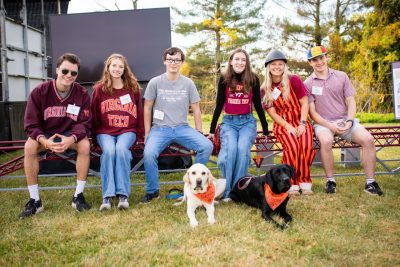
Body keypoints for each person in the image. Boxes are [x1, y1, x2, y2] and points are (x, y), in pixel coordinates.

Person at [20, 53, 92, 218]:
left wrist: (71, 138)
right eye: (65, 71)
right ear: (57, 69)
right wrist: (44, 141)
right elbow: (31, 123)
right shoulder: (39, 92)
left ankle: (78, 196)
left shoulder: (81, 93)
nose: (69, 76)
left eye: (74, 73)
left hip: (69, 134)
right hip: (46, 134)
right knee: (29, 146)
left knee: (85, 145)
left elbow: (85, 122)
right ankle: (35, 200)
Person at [304, 45, 383, 195]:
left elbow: (351, 102)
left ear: (326, 58)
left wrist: (349, 121)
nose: (319, 62)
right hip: (323, 124)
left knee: (368, 140)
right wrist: (330, 126)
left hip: (344, 121)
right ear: (310, 63)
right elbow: (312, 113)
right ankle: (330, 181)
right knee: (326, 141)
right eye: (314, 60)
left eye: (321, 58)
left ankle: (370, 183)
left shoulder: (342, 76)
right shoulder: (307, 83)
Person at [141, 47, 213, 203]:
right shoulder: (155, 82)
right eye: (170, 59)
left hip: (182, 128)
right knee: (148, 153)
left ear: (182, 62)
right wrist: (147, 132)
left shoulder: (188, 83)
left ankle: (195, 184)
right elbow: (147, 107)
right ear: (165, 61)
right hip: (160, 129)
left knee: (206, 146)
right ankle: (152, 191)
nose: (173, 63)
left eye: (177, 60)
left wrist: (199, 132)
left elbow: (196, 109)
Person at [209, 48, 269, 200]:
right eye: (237, 59)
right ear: (231, 61)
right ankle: (228, 191)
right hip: (229, 122)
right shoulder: (224, 79)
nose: (240, 62)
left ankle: (238, 191)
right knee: (230, 152)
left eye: (243, 60)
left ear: (246, 62)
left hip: (247, 122)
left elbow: (257, 104)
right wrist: (211, 129)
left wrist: (266, 129)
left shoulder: (253, 78)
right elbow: (218, 104)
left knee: (242, 150)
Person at [91, 53, 144, 211]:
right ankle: (107, 197)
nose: (117, 69)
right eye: (114, 65)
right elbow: (93, 114)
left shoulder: (132, 88)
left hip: (127, 130)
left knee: (121, 150)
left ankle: (123, 195)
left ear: (124, 69)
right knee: (109, 151)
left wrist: (140, 134)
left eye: (120, 66)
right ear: (108, 67)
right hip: (105, 132)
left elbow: (139, 112)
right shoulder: (99, 89)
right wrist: (93, 136)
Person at [261, 50, 316, 195]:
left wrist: (302, 124)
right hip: (282, 124)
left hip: (301, 120)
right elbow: (272, 113)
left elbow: (305, 103)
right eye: (273, 64)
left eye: (280, 64)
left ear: (285, 66)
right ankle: (291, 183)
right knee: (292, 146)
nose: (277, 67)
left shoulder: (294, 80)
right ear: (268, 67)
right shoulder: (265, 89)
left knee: (305, 146)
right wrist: (288, 126)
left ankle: (304, 182)